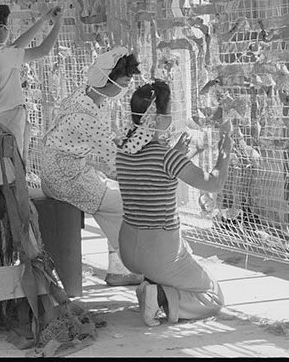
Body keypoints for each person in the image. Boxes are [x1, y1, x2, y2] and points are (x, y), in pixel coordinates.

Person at [115, 79, 232, 326]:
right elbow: (214, 184)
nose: (171, 117)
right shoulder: (166, 156)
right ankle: (158, 296)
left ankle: (151, 286)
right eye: (169, 112)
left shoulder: (123, 150)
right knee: (213, 297)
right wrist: (226, 149)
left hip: (128, 250)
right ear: (157, 120)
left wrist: (185, 153)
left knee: (184, 252)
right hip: (158, 252)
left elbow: (154, 172)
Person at [38, 46, 143, 286]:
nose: (126, 88)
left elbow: (101, 142)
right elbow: (114, 161)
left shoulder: (83, 95)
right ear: (107, 80)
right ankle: (132, 266)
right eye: (124, 82)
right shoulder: (87, 115)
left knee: (113, 198)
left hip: (58, 170)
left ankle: (122, 268)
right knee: (123, 204)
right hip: (65, 177)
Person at [0, 3, 63, 155]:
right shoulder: (4, 55)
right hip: (7, 119)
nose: (7, 30)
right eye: (6, 26)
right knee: (12, 164)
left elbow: (16, 46)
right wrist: (58, 24)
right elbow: (43, 50)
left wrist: (43, 21)